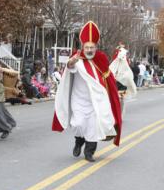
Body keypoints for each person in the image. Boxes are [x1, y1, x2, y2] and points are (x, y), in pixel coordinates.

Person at [52, 21, 122, 162]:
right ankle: (79, 141)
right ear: (83, 46)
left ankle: (89, 152)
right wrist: (71, 62)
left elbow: (107, 79)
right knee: (78, 124)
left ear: (96, 47)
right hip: (78, 99)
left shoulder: (101, 58)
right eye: (87, 47)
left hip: (95, 101)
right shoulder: (76, 57)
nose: (89, 50)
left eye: (92, 47)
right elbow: (69, 68)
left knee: (93, 127)